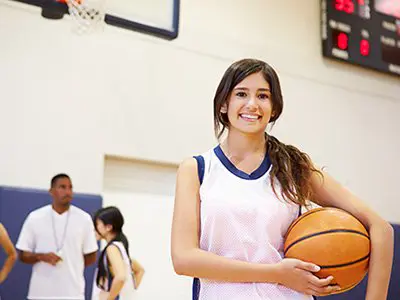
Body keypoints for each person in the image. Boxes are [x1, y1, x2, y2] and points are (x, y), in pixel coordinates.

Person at [171, 58, 394, 299]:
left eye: (263, 96)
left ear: (274, 108)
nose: (252, 104)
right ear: (224, 104)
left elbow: (381, 228)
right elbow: (184, 259)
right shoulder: (196, 169)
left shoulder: (294, 168)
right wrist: (276, 273)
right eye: (241, 94)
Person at [16, 173, 98, 300]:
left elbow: (91, 256)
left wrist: (73, 263)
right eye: (62, 187)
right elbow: (22, 254)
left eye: (70, 187)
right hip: (40, 293)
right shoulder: (35, 217)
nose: (68, 192)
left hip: (73, 294)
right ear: (51, 191)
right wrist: (41, 257)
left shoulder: (84, 219)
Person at [92, 206, 144, 300]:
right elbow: (140, 270)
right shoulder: (120, 247)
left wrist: (109, 298)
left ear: (108, 227)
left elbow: (121, 277)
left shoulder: (112, 248)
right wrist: (129, 292)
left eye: (97, 224)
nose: (94, 228)